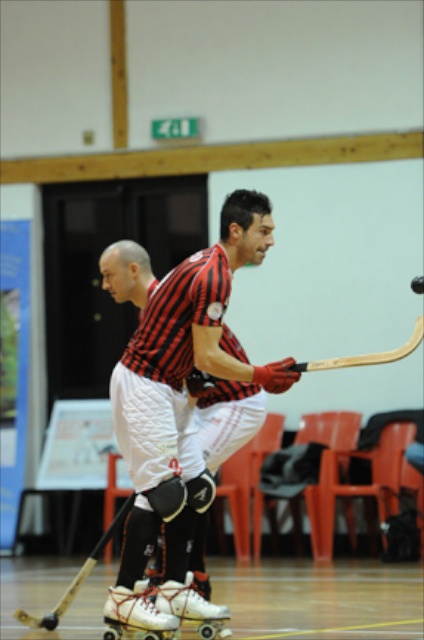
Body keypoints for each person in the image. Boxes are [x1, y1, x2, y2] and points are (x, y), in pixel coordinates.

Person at [98, 189, 301, 634]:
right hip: (144, 385)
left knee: (197, 489)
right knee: (163, 493)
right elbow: (208, 355)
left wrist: (203, 379)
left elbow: (192, 349)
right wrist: (260, 374)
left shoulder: (210, 268)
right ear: (237, 231)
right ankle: (124, 598)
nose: (270, 241)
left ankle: (176, 588)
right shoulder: (214, 276)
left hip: (169, 388)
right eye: (264, 231)